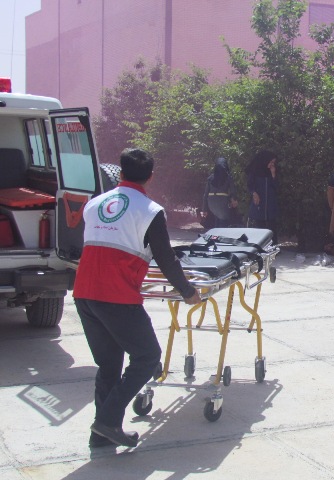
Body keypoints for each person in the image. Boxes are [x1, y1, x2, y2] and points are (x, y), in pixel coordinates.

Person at [74, 148, 201, 448]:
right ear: (151, 177)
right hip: (117, 296)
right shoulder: (150, 210)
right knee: (147, 357)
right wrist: (187, 291)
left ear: (120, 172)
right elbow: (166, 258)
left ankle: (100, 435)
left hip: (84, 294)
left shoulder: (94, 205)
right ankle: (107, 421)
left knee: (109, 365)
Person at [245, 150, 278, 243]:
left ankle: (273, 246)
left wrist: (273, 174)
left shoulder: (271, 172)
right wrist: (254, 193)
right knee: (260, 226)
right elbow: (250, 185)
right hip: (259, 203)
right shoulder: (254, 171)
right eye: (271, 162)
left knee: (272, 226)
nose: (272, 165)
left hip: (270, 203)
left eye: (273, 163)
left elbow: (276, 187)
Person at [201, 157, 240, 229]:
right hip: (223, 202)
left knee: (217, 218)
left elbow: (205, 195)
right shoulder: (228, 177)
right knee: (223, 220)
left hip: (211, 202)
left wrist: (204, 209)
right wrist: (234, 199)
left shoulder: (210, 178)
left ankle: (215, 233)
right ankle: (221, 234)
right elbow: (233, 190)